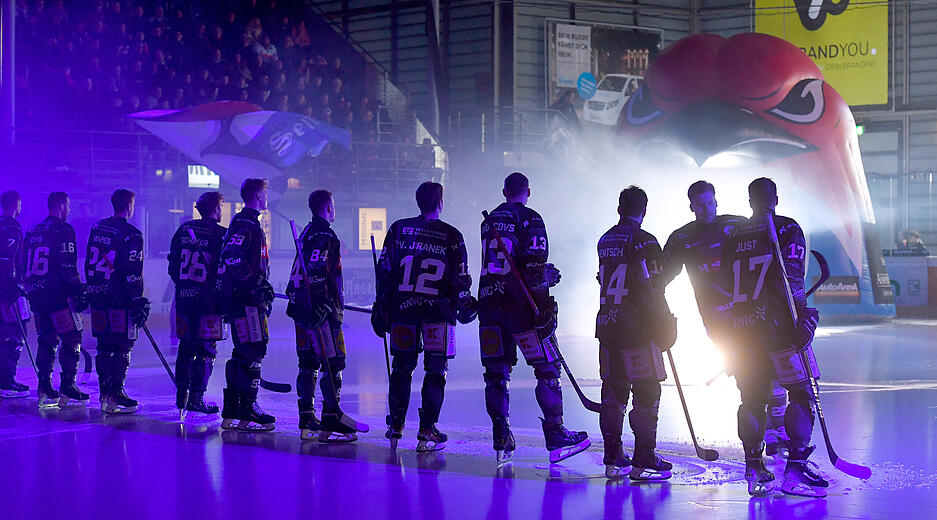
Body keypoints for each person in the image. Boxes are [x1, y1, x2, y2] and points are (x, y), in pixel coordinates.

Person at [661, 181, 789, 461]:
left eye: (710, 202)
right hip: (720, 324)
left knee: (775, 374)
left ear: (716, 201)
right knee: (751, 382)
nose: (707, 208)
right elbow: (661, 276)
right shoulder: (682, 238)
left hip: (754, 316)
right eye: (700, 204)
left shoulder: (738, 225)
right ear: (692, 207)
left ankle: (778, 435)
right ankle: (766, 437)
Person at [720, 177, 826, 497]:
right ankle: (795, 470)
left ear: (750, 201)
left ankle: (754, 468)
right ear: (775, 199)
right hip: (781, 331)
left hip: (742, 333)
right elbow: (791, 277)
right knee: (801, 394)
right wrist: (804, 317)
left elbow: (723, 286)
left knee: (751, 399)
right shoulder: (787, 228)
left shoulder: (732, 236)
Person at [476, 172, 589, 464]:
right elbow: (532, 267)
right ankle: (555, 433)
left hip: (489, 304)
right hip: (521, 308)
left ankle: (501, 435)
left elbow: (505, 263)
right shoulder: (531, 218)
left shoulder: (487, 223)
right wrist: (545, 299)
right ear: (529, 192)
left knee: (496, 374)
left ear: (504, 191)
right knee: (548, 368)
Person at [372, 181, 477, 451]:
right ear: (440, 202)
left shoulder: (397, 228)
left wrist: (380, 306)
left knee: (401, 368)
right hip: (438, 314)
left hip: (403, 311)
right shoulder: (452, 235)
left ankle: (395, 425)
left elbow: (384, 271)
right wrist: (464, 301)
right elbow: (461, 279)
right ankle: (427, 429)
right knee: (436, 370)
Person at [595, 186, 675, 480]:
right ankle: (644, 457)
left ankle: (612, 456)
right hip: (638, 329)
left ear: (619, 208)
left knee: (613, 391)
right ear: (644, 210)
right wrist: (665, 322)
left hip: (607, 325)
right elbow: (654, 288)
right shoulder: (646, 241)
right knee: (647, 390)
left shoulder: (605, 240)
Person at [287, 190, 363, 442]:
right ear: (328, 207)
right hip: (320, 312)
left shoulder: (307, 232)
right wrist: (324, 305)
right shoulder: (325, 235)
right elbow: (319, 270)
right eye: (334, 204)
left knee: (308, 362)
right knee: (334, 362)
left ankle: (307, 417)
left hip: (301, 308)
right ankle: (331, 418)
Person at [217, 179, 276, 431]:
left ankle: (234, 409)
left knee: (243, 351)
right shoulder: (246, 222)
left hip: (247, 300)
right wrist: (254, 283)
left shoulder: (248, 222)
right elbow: (230, 255)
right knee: (254, 349)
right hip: (246, 302)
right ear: (258, 194)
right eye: (266, 191)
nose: (268, 196)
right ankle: (248, 407)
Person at [86, 189, 149, 415]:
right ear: (130, 205)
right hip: (120, 300)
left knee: (104, 346)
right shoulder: (132, 234)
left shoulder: (97, 228)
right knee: (123, 346)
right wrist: (137, 300)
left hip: (98, 295)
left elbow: (88, 262)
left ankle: (104, 394)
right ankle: (116, 394)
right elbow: (132, 272)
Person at [24, 192, 89, 408]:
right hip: (58, 296)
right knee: (72, 337)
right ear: (61, 206)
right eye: (68, 206)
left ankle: (44, 387)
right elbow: (67, 264)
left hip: (37, 293)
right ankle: (68, 387)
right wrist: (78, 290)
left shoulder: (33, 231)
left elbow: (23, 263)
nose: (68, 211)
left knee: (47, 339)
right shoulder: (63, 229)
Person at [168, 191, 227, 419]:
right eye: (221, 206)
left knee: (185, 348)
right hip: (208, 303)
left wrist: (185, 286)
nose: (222, 211)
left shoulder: (183, 230)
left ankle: (181, 397)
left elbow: (173, 266)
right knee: (206, 350)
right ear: (214, 209)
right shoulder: (221, 234)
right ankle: (196, 398)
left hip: (183, 299)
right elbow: (222, 271)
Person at [0, 191, 29, 398]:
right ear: (15, 205)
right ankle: (7, 382)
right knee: (15, 334)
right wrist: (15, 286)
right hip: (8, 290)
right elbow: (9, 259)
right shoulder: (12, 226)